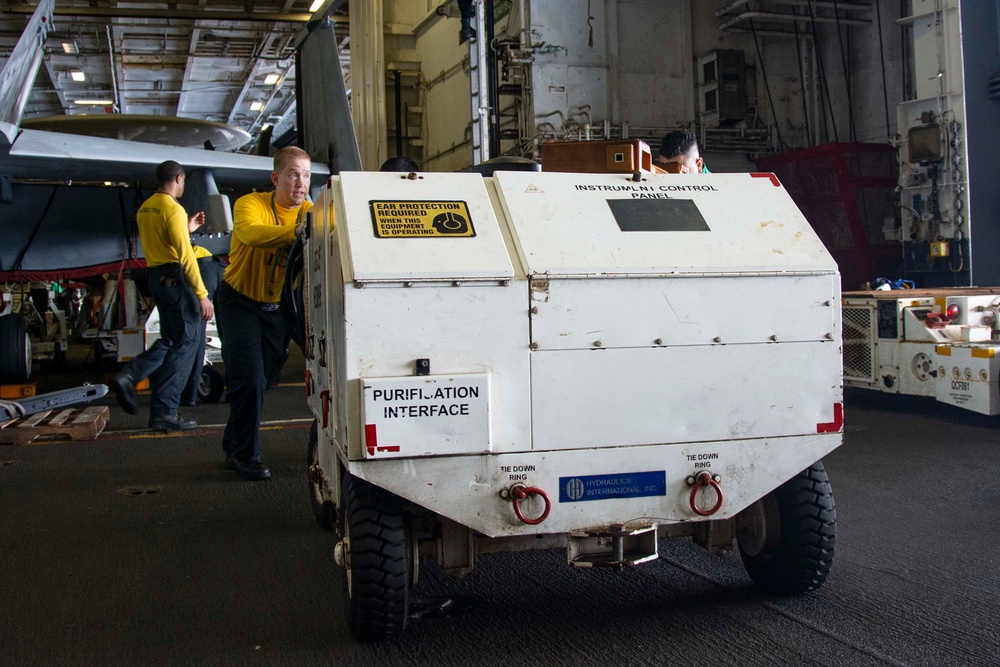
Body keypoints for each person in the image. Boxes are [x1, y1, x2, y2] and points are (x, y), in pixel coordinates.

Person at [215, 146, 311, 481]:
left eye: (307, 175)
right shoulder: (250, 204)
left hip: (277, 309)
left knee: (264, 380)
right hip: (239, 303)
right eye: (294, 174)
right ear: (277, 178)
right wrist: (296, 234)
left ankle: (233, 439)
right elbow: (250, 234)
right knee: (250, 380)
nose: (301, 183)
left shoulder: (310, 211)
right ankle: (245, 456)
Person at [111, 161, 214, 431]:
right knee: (188, 341)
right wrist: (202, 295)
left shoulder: (147, 208)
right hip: (178, 280)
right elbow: (186, 257)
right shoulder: (173, 209)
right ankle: (165, 411)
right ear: (179, 178)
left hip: (157, 278)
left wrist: (187, 227)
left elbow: (163, 240)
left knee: (171, 339)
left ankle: (129, 375)